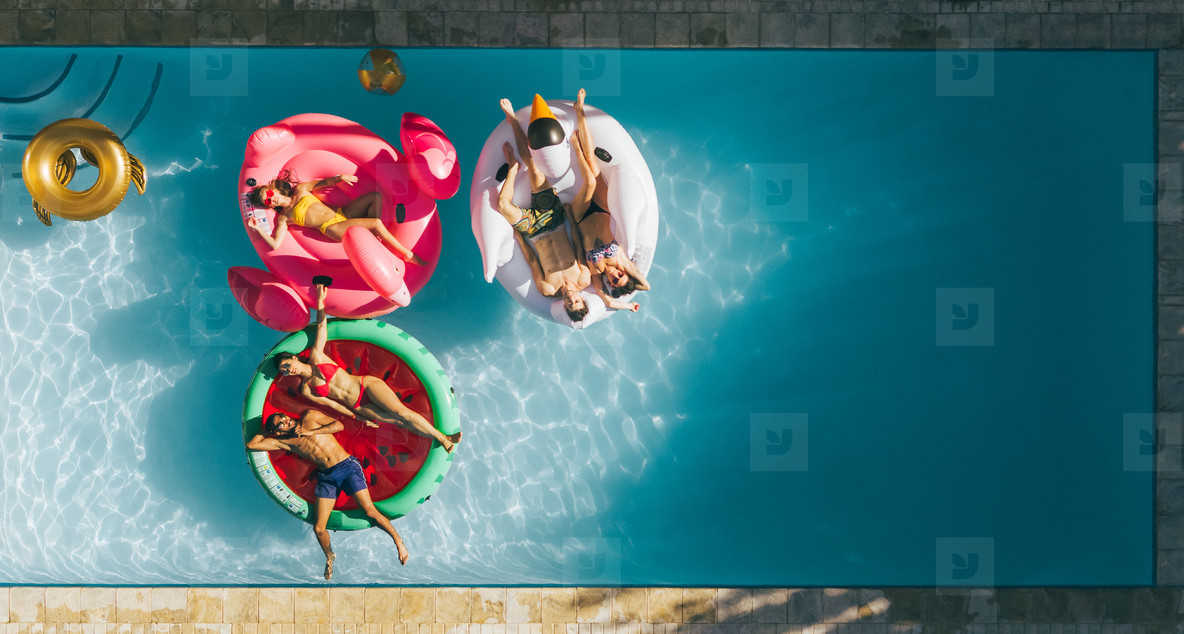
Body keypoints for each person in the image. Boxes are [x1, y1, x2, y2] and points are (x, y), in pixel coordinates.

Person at [276, 281, 462, 453]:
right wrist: (357, 417)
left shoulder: (317, 357)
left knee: (401, 412)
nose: (287, 370)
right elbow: (334, 404)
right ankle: (441, 438)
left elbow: (321, 328)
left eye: (286, 364)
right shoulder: (306, 389)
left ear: (293, 358)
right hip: (358, 406)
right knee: (400, 422)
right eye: (284, 371)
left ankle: (442, 438)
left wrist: (320, 301)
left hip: (365, 386)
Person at [246, 407, 410, 579]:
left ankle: (398, 542)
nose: (286, 420)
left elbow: (338, 426)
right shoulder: (286, 442)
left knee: (369, 511)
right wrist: (269, 429)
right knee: (318, 528)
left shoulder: (309, 416)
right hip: (326, 476)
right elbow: (252, 444)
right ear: (278, 432)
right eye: (281, 423)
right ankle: (329, 555)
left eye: (284, 417)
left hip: (347, 467)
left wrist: (311, 431)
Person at [496, 97, 592, 322]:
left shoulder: (547, 289)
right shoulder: (584, 277)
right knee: (534, 171)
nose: (571, 299)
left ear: (564, 305)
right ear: (581, 298)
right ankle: (512, 120)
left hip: (534, 232)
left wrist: (518, 236)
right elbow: (578, 245)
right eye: (576, 301)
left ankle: (512, 168)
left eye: (569, 304)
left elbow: (531, 260)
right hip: (554, 221)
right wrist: (569, 217)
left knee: (502, 205)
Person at [568, 89, 650, 310]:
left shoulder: (595, 272)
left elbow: (606, 299)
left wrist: (625, 306)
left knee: (591, 182)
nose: (615, 274)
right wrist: (630, 287)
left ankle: (576, 148)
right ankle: (580, 110)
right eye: (621, 276)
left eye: (614, 280)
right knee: (593, 164)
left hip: (580, 215)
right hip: (603, 207)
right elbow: (646, 286)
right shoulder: (622, 261)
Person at [247, 169, 426, 266]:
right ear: (269, 206)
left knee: (375, 197)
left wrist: (340, 178)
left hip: (343, 213)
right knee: (376, 222)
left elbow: (322, 183)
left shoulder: (300, 190)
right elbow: (275, 244)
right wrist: (257, 228)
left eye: (269, 193)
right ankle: (407, 254)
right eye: (268, 201)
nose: (272, 198)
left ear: (274, 188)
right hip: (331, 228)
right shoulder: (284, 217)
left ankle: (373, 239)